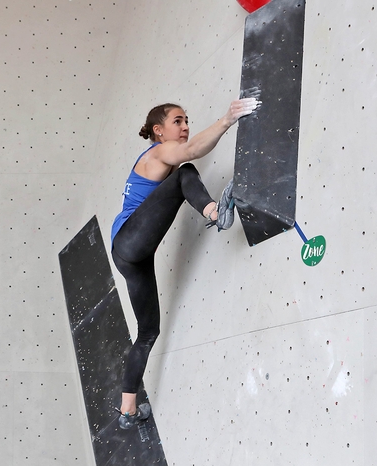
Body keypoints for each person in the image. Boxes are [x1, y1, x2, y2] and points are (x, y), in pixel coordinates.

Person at [111, 98, 259, 429]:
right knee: (185, 173)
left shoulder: (161, 158)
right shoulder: (157, 153)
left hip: (130, 256)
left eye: (187, 120)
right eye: (178, 121)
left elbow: (188, 148)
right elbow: (190, 152)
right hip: (129, 242)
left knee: (149, 331)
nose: (186, 126)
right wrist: (227, 119)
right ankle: (215, 213)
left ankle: (127, 410)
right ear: (158, 131)